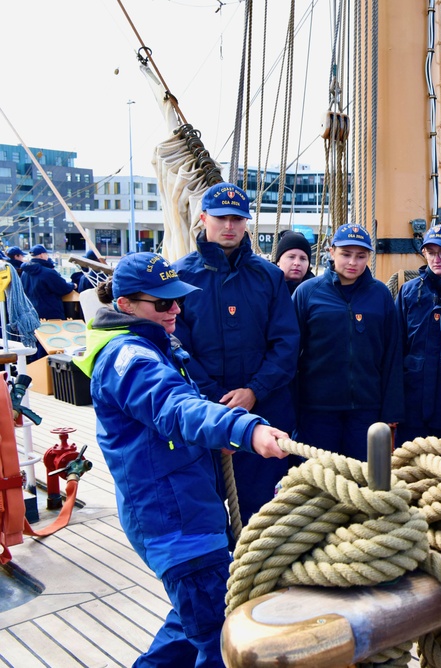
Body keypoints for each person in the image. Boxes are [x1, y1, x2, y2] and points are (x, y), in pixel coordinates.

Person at [73, 252, 288, 667]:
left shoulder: (156, 344)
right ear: (125, 305)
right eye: (162, 303)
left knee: (189, 626)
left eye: (177, 301)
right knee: (221, 641)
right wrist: (246, 430)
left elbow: (177, 418)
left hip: (190, 510)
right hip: (175, 523)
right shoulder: (130, 361)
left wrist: (215, 439)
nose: (175, 310)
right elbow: (174, 407)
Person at [173, 182, 299, 526]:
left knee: (265, 513)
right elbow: (176, 348)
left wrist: (254, 391)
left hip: (266, 409)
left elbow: (286, 344)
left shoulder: (269, 277)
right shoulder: (180, 277)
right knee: (205, 508)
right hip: (203, 412)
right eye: (221, 218)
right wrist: (218, 400)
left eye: (237, 219)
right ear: (203, 219)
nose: (229, 226)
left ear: (246, 224)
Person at [292, 224, 403, 458]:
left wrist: (391, 410)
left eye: (361, 256)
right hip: (317, 411)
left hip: (366, 410)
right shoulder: (307, 293)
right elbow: (290, 354)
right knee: (320, 483)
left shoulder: (380, 295)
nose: (353, 262)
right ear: (331, 252)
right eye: (345, 254)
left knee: (363, 481)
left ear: (369, 258)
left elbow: (392, 354)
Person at [396, 224, 441, 443]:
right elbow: (396, 346)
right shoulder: (409, 292)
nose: (436, 258)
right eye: (431, 252)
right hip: (412, 402)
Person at [20, 244, 75, 320]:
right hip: (50, 312)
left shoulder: (25, 272)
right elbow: (63, 288)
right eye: (46, 254)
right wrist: (73, 285)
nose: (47, 256)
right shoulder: (48, 272)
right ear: (42, 255)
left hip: (31, 311)